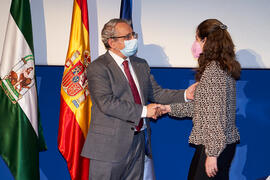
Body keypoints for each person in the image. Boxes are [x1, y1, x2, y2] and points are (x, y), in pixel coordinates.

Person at [81, 18, 197, 180]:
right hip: (108, 147)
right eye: (127, 37)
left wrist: (185, 95)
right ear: (112, 42)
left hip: (138, 142)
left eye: (133, 35)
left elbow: (157, 93)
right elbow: (106, 103)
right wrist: (144, 111)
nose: (133, 40)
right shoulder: (98, 67)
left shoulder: (140, 64)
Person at [162, 19, 241, 180]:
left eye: (197, 39)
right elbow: (203, 109)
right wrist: (167, 108)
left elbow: (214, 116)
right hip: (218, 144)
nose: (195, 43)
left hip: (214, 146)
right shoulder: (220, 67)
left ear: (206, 40)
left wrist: (212, 154)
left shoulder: (214, 71)